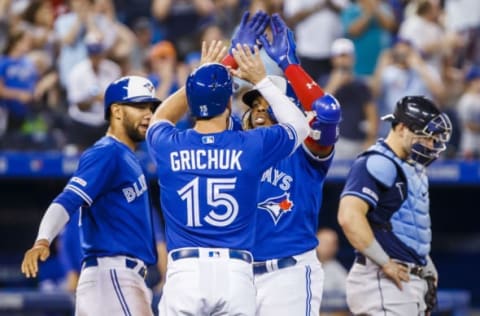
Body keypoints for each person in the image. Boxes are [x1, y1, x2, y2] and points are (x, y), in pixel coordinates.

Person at [145, 30, 310, 314]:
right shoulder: (250, 144)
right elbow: (300, 126)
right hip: (235, 273)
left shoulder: (168, 145)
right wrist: (261, 80)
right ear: (228, 104)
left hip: (184, 272)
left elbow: (159, 117)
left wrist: (197, 80)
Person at [21, 75, 161, 315]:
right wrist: (43, 239)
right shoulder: (107, 152)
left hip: (111, 279)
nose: (148, 113)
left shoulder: (127, 155)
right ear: (116, 111)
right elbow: (67, 199)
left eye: (150, 107)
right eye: (139, 106)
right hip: (113, 276)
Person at [243, 14, 341, 316]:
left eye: (268, 106)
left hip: (289, 276)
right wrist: (230, 62)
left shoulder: (304, 149)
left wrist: (289, 64)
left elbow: (326, 112)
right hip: (237, 276)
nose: (260, 113)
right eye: (255, 106)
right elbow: (202, 105)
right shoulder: (237, 142)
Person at [337, 95, 452, 315]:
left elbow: (407, 227)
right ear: (401, 128)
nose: (431, 145)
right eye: (426, 137)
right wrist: (385, 262)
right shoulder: (377, 162)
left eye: (433, 140)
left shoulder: (412, 167)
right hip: (383, 277)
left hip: (405, 280)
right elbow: (349, 216)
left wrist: (426, 267)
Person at [316, 228, 348, 316]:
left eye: (331, 243)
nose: (328, 246)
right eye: (324, 242)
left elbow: (344, 310)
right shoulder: (305, 267)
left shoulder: (339, 272)